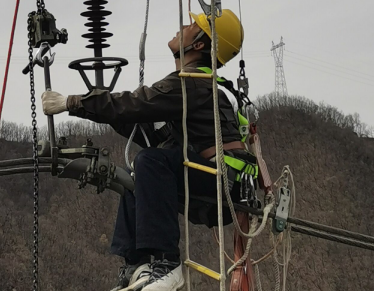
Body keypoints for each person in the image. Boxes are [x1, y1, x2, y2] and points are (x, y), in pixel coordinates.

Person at [42, 9, 253, 291]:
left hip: (223, 183)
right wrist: (103, 111)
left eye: (192, 26)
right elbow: (146, 129)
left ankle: (168, 263)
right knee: (138, 175)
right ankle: (138, 266)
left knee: (150, 162)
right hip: (212, 181)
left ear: (200, 44)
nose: (183, 27)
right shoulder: (195, 88)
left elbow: (136, 103)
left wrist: (72, 102)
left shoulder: (194, 84)